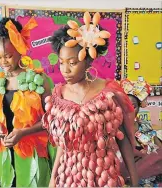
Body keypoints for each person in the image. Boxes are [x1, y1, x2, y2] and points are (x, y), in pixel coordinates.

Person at [42, 12, 139, 187]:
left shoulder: (109, 93)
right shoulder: (59, 95)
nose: (65, 70)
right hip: (69, 177)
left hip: (103, 176)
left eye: (72, 63)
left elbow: (122, 139)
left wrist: (135, 180)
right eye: (61, 62)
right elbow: (64, 145)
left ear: (88, 62)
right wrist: (53, 178)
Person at [0, 17, 55, 187]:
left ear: (20, 50)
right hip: (4, 151)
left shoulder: (39, 80)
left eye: (8, 56)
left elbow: (51, 120)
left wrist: (23, 132)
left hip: (32, 153)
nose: (3, 62)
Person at [120, 78, 162, 186]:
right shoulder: (114, 130)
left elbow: (159, 149)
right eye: (125, 105)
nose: (128, 109)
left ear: (139, 108)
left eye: (133, 106)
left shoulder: (145, 126)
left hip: (151, 179)